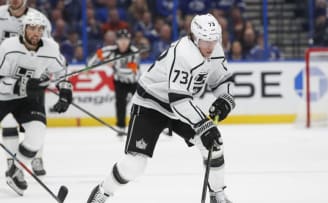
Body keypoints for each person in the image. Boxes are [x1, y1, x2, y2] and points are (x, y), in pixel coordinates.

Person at [87, 13, 235, 203]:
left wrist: (225, 99)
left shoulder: (214, 50)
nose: (210, 45)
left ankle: (218, 195)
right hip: (151, 103)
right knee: (135, 164)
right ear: (195, 37)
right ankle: (103, 191)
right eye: (205, 40)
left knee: (214, 145)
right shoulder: (184, 53)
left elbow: (222, 79)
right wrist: (204, 125)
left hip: (180, 106)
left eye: (214, 40)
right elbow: (178, 100)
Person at [0, 11, 72, 195]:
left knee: (37, 134)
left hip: (27, 100)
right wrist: (21, 84)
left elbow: (62, 72)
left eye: (40, 29)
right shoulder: (8, 47)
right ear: (23, 29)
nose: (36, 33)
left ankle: (15, 171)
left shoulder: (50, 48)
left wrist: (65, 92)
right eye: (32, 28)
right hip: (3, 97)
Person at [0, 0, 52, 176]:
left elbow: (46, 51)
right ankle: (12, 163)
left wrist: (43, 75)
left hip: (31, 79)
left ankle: (37, 157)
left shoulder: (38, 19)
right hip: (5, 77)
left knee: (36, 123)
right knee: (8, 121)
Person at [87, 29, 140, 137]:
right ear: (117, 41)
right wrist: (89, 67)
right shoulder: (111, 50)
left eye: (126, 39)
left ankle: (143, 126)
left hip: (133, 81)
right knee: (120, 103)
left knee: (140, 104)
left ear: (130, 41)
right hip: (119, 81)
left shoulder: (134, 52)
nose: (123, 42)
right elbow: (98, 55)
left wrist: (114, 64)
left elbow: (132, 71)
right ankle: (121, 127)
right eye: (121, 40)